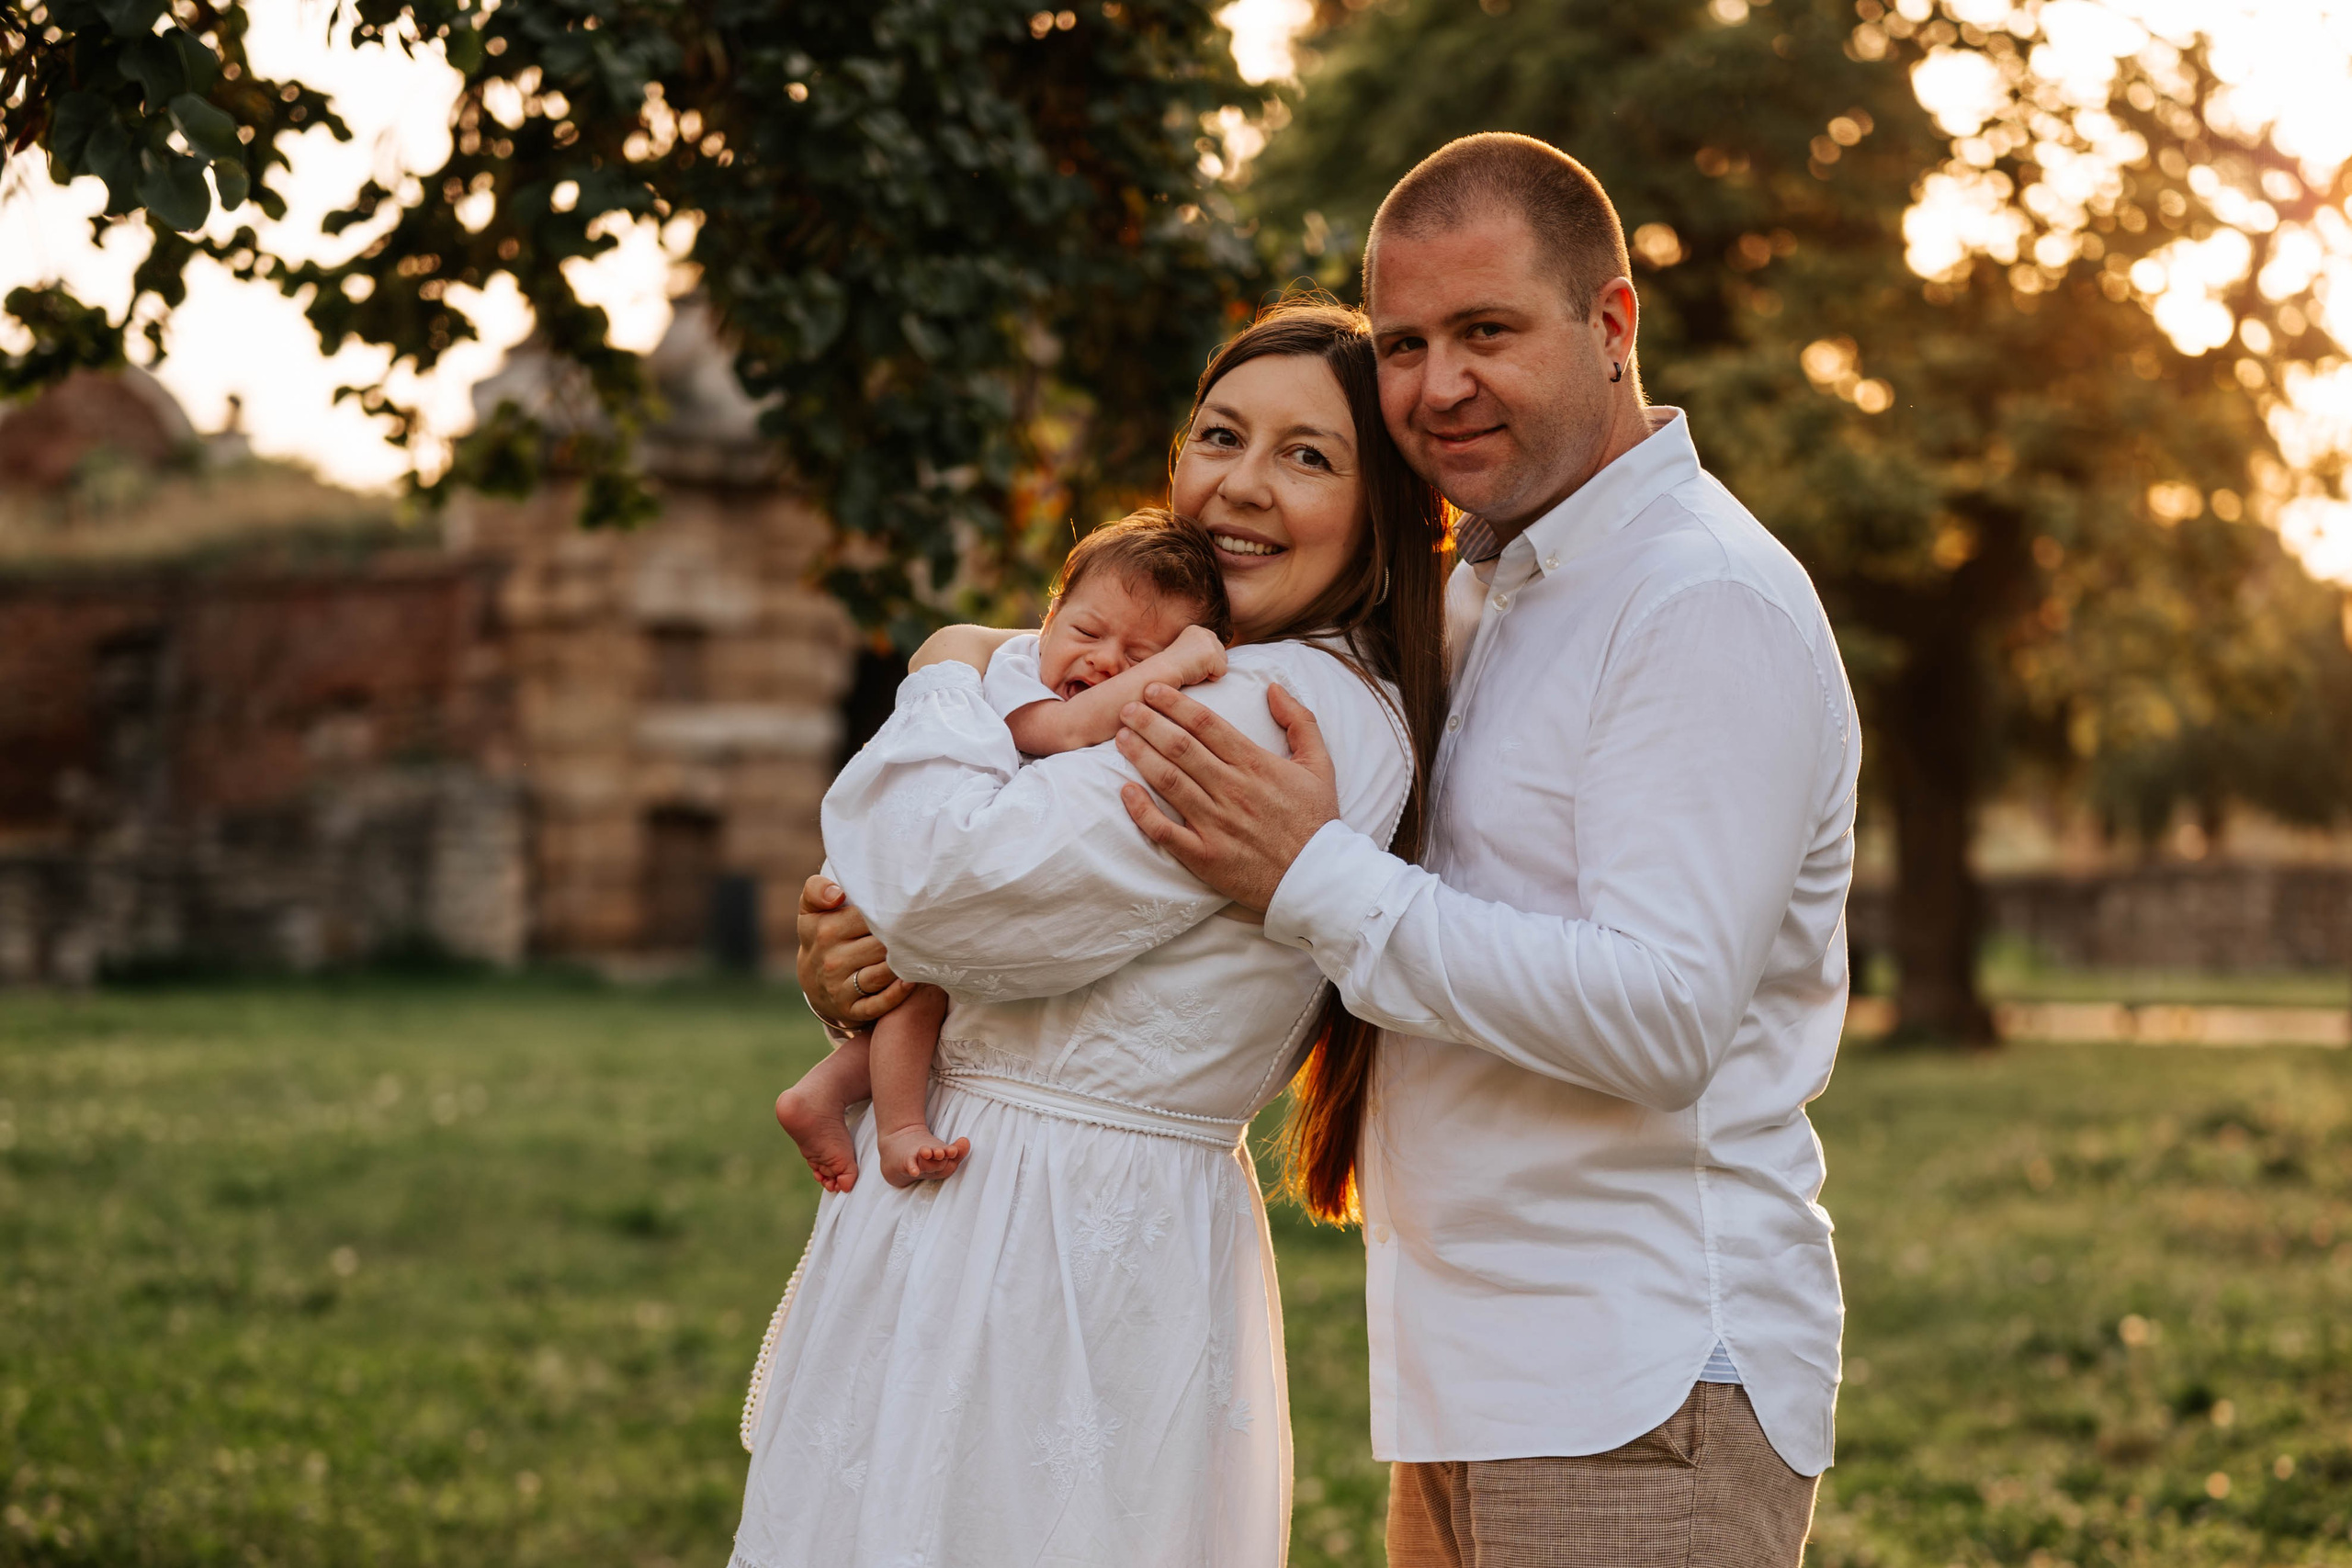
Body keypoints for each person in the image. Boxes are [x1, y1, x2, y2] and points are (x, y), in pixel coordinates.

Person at [1114, 133, 1860, 1565]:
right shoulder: (1479, 595)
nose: (1436, 384)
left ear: (1612, 322)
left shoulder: (1700, 599)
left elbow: (1663, 1017)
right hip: (1473, 1378)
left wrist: (1309, 872)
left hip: (1640, 1388)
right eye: (1403, 341)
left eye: (1487, 331)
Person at [734, 298, 1449, 1567]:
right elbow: (909, 895)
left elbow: (946, 881)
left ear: (1384, 506)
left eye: (1308, 455)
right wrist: (851, 948)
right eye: (1221, 434)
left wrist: (948, 662)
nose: (1241, 484)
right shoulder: (1181, 665)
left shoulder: (1270, 704)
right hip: (986, 1209)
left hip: (1053, 1244)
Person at [772, 509, 1235, 1191]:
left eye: (1137, 656)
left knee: (934, 994)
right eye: (1086, 632)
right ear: (1047, 622)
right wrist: (1173, 664)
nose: (1107, 661)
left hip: (940, 858)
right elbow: (1070, 730)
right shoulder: (1020, 673)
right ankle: (898, 1127)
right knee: (922, 989)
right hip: (907, 851)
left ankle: (821, 1092)